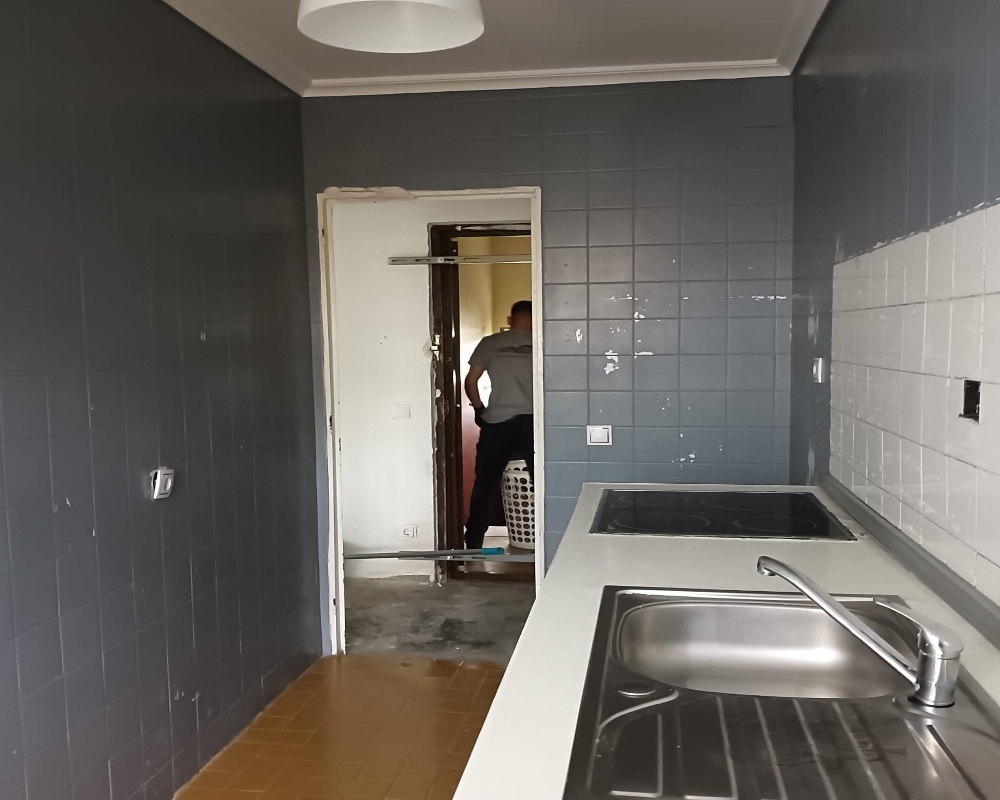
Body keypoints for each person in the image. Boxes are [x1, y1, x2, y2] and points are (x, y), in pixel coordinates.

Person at [463, 300, 534, 549]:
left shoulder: (490, 342)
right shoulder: (545, 341)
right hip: (535, 422)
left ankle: (473, 543)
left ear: (510, 319)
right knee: (543, 482)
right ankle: (550, 542)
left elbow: (470, 381)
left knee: (486, 483)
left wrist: (479, 409)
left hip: (497, 422)